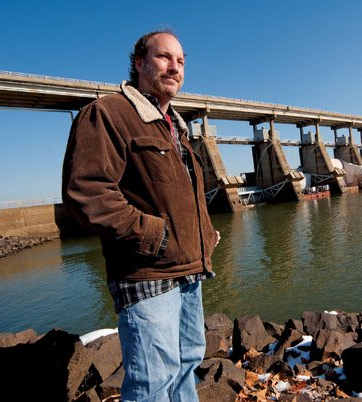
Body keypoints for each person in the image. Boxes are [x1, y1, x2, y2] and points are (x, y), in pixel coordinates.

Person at [62, 30, 219, 401]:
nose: (175, 67)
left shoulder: (173, 127)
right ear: (139, 63)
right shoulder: (108, 114)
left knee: (186, 364)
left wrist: (205, 233)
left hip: (189, 271)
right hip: (146, 274)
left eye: (181, 62)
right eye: (164, 57)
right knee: (153, 381)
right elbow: (87, 191)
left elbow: (173, 194)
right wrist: (155, 235)